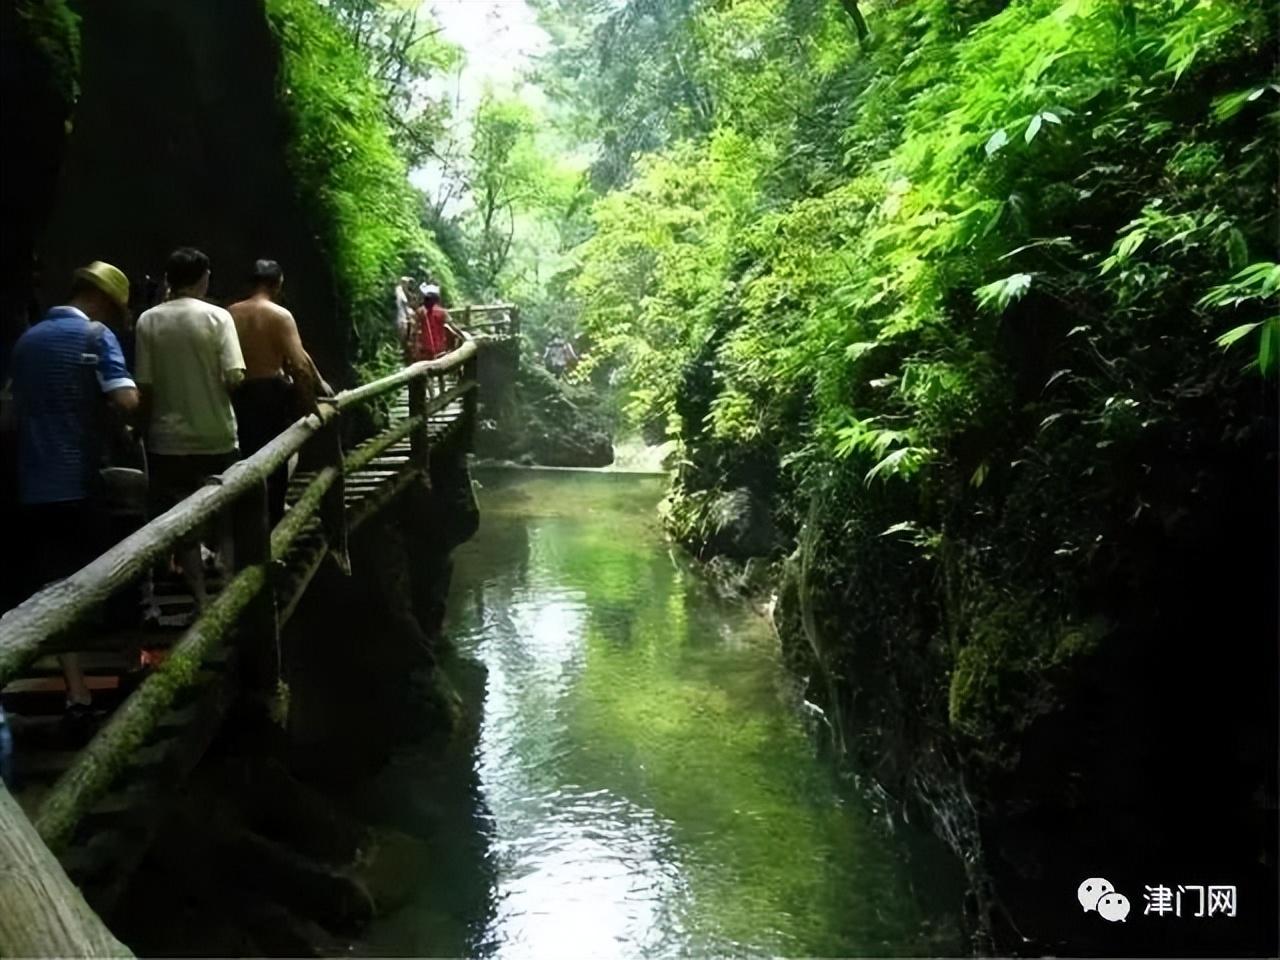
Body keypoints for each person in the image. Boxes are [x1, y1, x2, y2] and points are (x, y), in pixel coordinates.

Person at [7, 261, 139, 733]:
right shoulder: (95, 337)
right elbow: (126, 401)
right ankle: (129, 672)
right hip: (82, 481)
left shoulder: (26, 343)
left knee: (52, 591)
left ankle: (77, 690)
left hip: (33, 483)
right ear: (104, 300)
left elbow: (12, 412)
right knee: (116, 574)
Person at [135, 247, 245, 609]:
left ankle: (200, 598)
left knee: (182, 525)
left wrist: (143, 427)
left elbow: (145, 386)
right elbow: (235, 376)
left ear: (169, 279)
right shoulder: (218, 318)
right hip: (216, 433)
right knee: (225, 516)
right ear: (204, 277)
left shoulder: (148, 321)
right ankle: (228, 587)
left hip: (166, 440)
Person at [228, 259, 331, 525]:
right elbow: (298, 363)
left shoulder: (229, 314)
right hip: (270, 393)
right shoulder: (280, 316)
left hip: (236, 392)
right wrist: (310, 401)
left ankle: (248, 523)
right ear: (277, 284)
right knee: (280, 453)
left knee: (246, 456)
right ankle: (273, 522)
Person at [411, 283, 451, 361]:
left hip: (426, 350)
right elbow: (451, 325)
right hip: (440, 349)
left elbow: (414, 329)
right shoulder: (442, 312)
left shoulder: (420, 311)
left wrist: (415, 346)